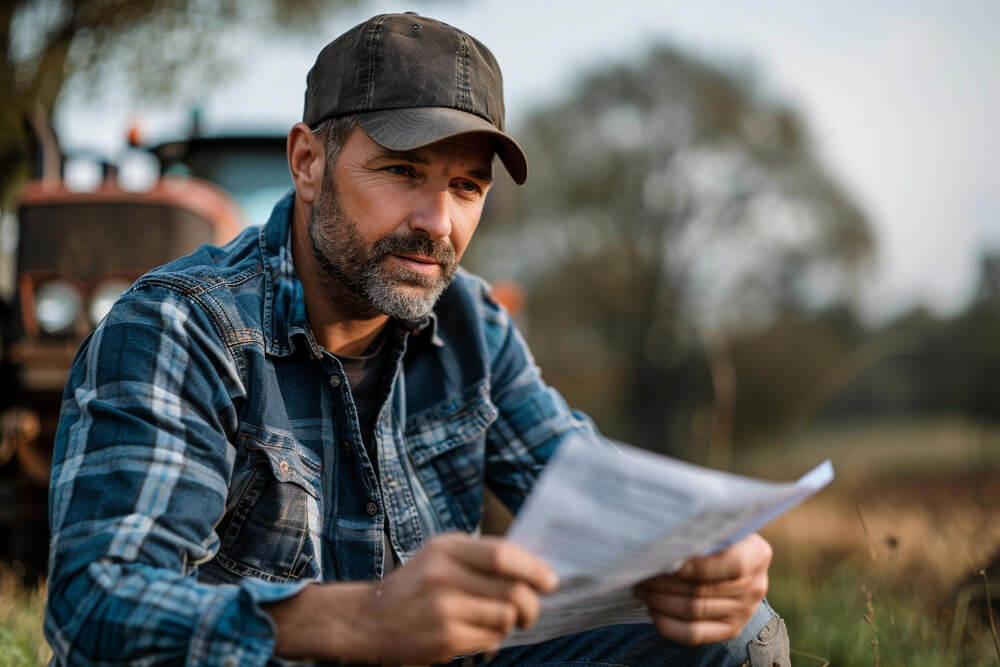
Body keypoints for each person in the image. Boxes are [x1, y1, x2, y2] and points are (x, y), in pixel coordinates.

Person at [44, 12, 790, 666]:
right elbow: (94, 610)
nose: (438, 221)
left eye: (467, 186)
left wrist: (703, 550)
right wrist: (364, 619)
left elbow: (593, 490)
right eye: (402, 170)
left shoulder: (474, 324)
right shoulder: (178, 327)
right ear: (308, 161)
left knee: (737, 635)